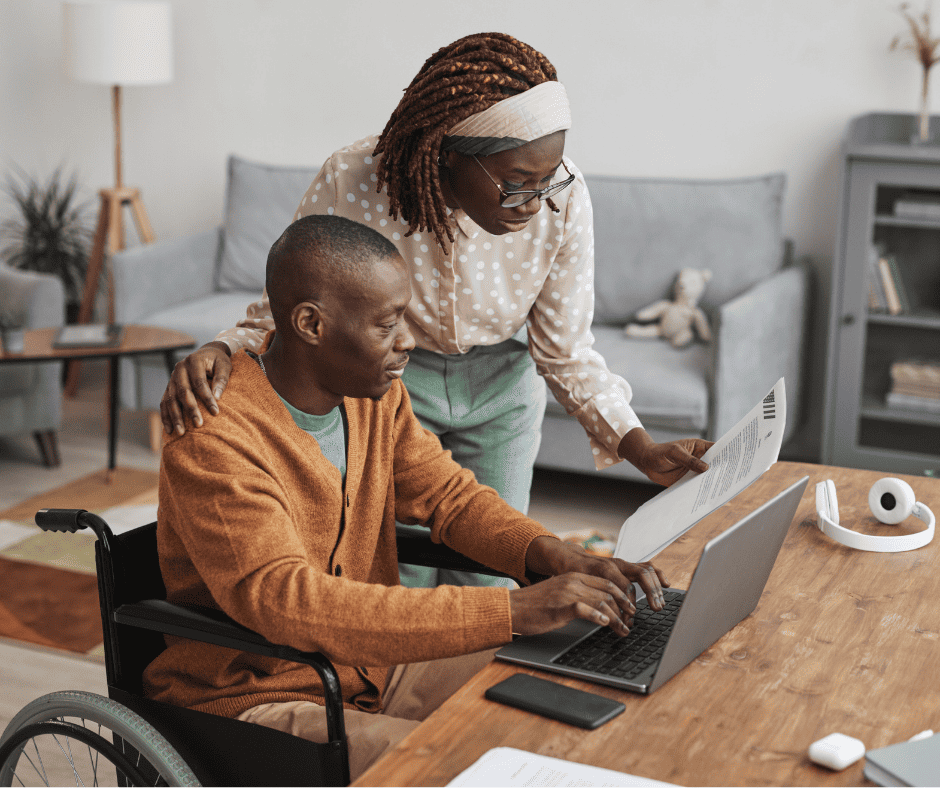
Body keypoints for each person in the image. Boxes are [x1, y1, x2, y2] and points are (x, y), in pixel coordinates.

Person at [158, 32, 712, 589]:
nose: (537, 203)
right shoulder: (355, 180)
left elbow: (565, 348)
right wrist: (223, 347)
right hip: (390, 386)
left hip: (503, 388)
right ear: (447, 155)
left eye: (550, 180)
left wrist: (638, 445)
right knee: (398, 571)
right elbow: (298, 297)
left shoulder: (561, 198)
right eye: (516, 184)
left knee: (497, 572)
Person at [143, 214, 670, 781]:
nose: (408, 341)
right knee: (472, 766)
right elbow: (288, 601)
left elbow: (451, 498)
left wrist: (554, 555)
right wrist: (513, 609)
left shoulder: (370, 396)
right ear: (311, 324)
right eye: (386, 323)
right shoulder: (216, 434)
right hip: (257, 695)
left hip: (372, 667)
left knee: (574, 674)